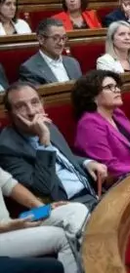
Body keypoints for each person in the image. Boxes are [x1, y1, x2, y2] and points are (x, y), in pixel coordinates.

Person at [0, 82, 107, 210]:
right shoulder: (6, 147)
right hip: (64, 208)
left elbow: (63, 157)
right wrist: (44, 140)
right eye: (21, 106)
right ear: (9, 114)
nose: (32, 112)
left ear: (42, 103)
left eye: (35, 102)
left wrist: (87, 162)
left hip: (92, 195)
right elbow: (42, 188)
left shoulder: (48, 125)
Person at [71, 70, 130, 179]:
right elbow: (108, 165)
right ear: (92, 96)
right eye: (109, 87)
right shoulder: (89, 124)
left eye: (116, 86)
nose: (117, 90)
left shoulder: (117, 114)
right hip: (125, 183)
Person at [18, 21, 82, 86]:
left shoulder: (73, 63)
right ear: (41, 39)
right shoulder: (30, 68)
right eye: (55, 38)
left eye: (63, 38)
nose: (61, 43)